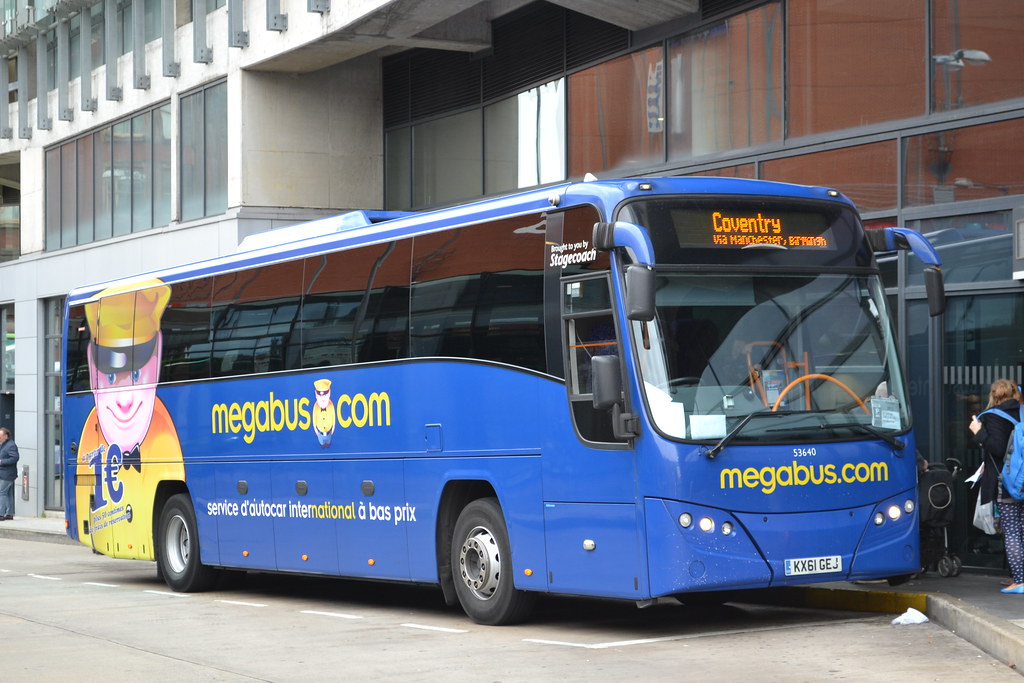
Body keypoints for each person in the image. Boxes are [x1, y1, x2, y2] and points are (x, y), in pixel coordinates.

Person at [968, 378, 1024, 594]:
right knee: (1021, 530)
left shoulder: (993, 416)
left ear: (994, 395)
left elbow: (998, 448)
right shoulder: (1021, 412)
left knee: (1011, 531)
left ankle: (1019, 580)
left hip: (1007, 483)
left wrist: (979, 431)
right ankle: (1017, 575)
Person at [0, 426, 19, 520]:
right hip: (4, 473)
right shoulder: (3, 444)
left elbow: (15, 458)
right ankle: (9, 513)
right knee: (8, 494)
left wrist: (2, 461)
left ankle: (1, 514)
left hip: (7, 474)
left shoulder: (11, 445)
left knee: (2, 493)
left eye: (0, 436)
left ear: (6, 436)